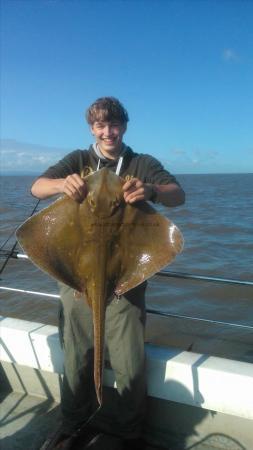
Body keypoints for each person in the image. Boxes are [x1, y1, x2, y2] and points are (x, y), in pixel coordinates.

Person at [34, 97, 185, 450]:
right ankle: (73, 423)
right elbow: (36, 187)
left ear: (124, 127)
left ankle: (129, 431)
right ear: (92, 128)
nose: (108, 132)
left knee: (129, 360)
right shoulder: (77, 160)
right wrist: (60, 185)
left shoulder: (141, 163)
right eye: (101, 126)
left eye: (114, 125)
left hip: (124, 281)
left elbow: (178, 195)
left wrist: (151, 190)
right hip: (76, 280)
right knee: (77, 354)